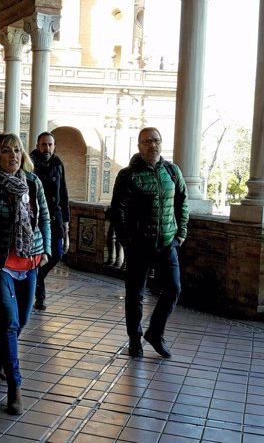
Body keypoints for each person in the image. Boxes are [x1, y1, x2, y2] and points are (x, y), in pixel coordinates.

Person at [0, 133, 51, 415]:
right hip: (0, 264)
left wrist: (46, 250)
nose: (13, 156)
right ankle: (15, 386)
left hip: (29, 262)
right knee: (10, 319)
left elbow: (45, 217)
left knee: (23, 320)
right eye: (7, 151)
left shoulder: (33, 182)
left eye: (17, 150)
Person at [110, 127, 188, 359]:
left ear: (161, 143)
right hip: (139, 245)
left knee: (174, 288)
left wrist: (180, 233)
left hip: (167, 243)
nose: (152, 145)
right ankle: (135, 340)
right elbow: (117, 210)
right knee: (135, 294)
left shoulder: (172, 171)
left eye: (156, 140)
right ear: (139, 146)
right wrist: (127, 241)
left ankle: (155, 332)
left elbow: (182, 201)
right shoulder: (128, 175)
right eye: (147, 141)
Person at [29, 131, 69, 310]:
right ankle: (40, 297)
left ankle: (36, 277)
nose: (47, 148)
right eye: (44, 144)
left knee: (57, 254)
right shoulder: (30, 163)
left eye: (50, 145)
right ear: (38, 145)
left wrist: (66, 220)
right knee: (39, 255)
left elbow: (64, 193)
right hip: (37, 218)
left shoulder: (58, 163)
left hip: (56, 218)